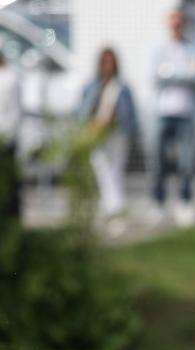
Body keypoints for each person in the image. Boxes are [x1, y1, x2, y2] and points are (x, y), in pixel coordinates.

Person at [150, 7, 195, 228]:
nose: (176, 24)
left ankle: (185, 201)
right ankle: (158, 202)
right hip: (162, 112)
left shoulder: (194, 48)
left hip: (186, 112)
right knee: (158, 161)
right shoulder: (158, 49)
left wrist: (170, 73)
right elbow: (154, 75)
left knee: (186, 161)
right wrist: (182, 73)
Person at [79, 47, 138, 233]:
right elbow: (82, 111)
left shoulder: (122, 87)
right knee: (102, 169)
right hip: (97, 135)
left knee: (114, 171)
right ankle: (113, 209)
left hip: (117, 134)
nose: (107, 66)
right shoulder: (92, 86)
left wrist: (113, 121)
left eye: (110, 62)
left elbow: (129, 116)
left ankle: (114, 211)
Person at [0, 50, 21, 220]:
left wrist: (9, 136)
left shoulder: (10, 78)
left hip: (5, 137)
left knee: (9, 182)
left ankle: (12, 217)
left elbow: (13, 112)